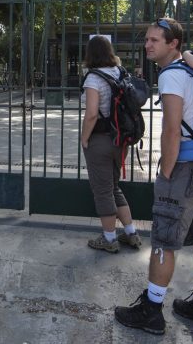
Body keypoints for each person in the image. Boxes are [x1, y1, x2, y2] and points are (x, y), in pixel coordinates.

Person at [114, 18, 193, 335]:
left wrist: (165, 170)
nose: (147, 45)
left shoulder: (172, 76)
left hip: (184, 169)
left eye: (154, 40)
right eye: (146, 40)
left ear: (173, 44)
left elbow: (172, 129)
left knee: (163, 239)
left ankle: (151, 310)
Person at [80, 35, 141, 253]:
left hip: (101, 140)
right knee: (114, 187)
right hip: (121, 140)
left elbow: (91, 115)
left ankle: (109, 239)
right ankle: (132, 233)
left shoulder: (93, 79)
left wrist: (84, 138)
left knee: (102, 191)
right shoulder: (119, 73)